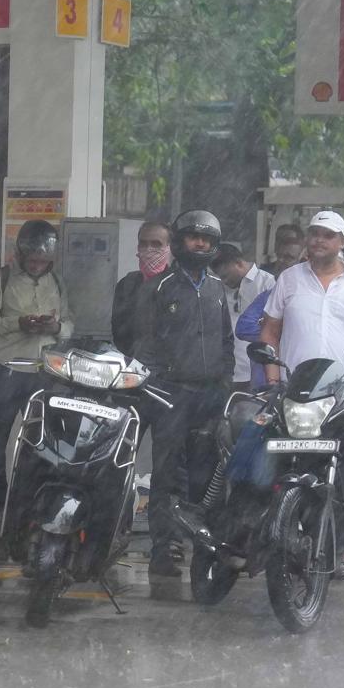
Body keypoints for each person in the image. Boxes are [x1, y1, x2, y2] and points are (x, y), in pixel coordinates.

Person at [259, 210, 344, 580]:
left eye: (328, 235)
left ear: (342, 243)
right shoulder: (288, 280)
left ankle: (336, 552)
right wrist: (271, 380)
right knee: (290, 474)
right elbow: (269, 332)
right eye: (314, 234)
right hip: (296, 398)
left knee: (341, 480)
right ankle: (288, 545)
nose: (319, 241)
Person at [132, 210, 234, 586]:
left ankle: (203, 550)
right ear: (180, 242)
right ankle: (164, 548)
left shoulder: (217, 288)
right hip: (170, 395)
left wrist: (224, 384)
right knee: (167, 474)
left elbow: (226, 341)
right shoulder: (158, 288)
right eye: (194, 238)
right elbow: (145, 345)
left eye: (207, 239)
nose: (201, 244)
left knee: (207, 475)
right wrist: (159, 388)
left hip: (210, 396)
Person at [0, 219, 73, 503]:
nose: (38, 266)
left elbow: (69, 322)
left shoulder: (56, 282)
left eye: (43, 262)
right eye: (33, 261)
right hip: (5, 367)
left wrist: (55, 328)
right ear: (20, 254)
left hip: (43, 370)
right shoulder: (1, 278)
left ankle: (34, 494)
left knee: (42, 435)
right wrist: (19, 323)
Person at [212, 242, 275, 391]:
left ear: (239, 263)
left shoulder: (268, 283)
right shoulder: (222, 288)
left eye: (226, 276)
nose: (224, 281)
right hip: (230, 370)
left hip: (257, 367)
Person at [111, 220, 171, 354]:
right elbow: (119, 331)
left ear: (168, 247)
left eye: (156, 244)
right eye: (143, 244)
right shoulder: (126, 285)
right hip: (134, 368)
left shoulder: (177, 285)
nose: (149, 249)